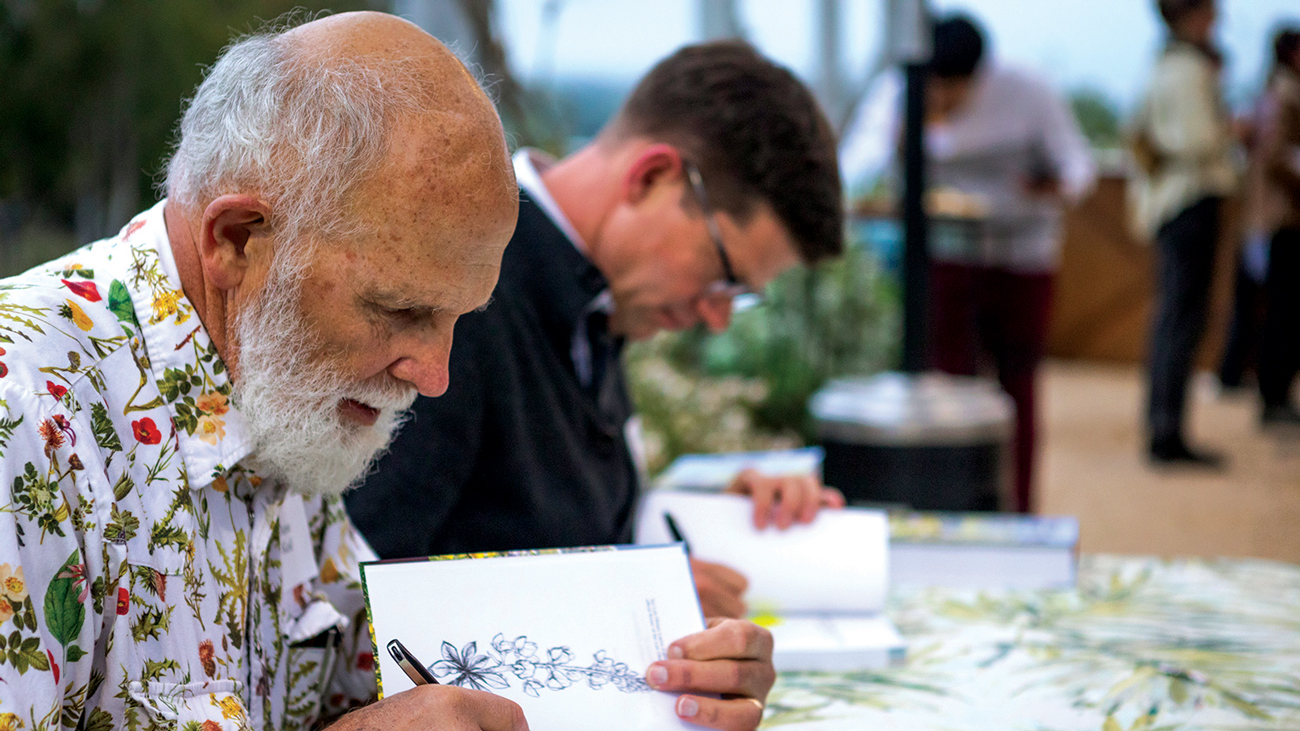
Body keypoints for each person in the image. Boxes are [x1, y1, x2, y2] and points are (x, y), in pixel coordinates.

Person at [0, 13, 776, 731]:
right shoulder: (24, 417)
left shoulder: (276, 379)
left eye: (457, 318)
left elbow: (380, 680)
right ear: (237, 239)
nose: (434, 375)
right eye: (399, 310)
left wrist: (670, 672)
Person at [346, 41, 846, 617]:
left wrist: (705, 518)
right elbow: (367, 582)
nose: (719, 317)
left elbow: (549, 530)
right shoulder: (463, 297)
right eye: (724, 278)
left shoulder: (595, 299)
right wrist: (631, 593)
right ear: (653, 176)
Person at [917, 15, 1095, 513]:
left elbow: (1078, 168)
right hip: (949, 258)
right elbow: (861, 158)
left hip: (1023, 256)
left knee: (1017, 385)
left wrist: (1051, 185)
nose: (946, 97)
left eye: (955, 87)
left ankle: (1016, 508)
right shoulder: (904, 90)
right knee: (946, 384)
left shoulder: (1029, 91)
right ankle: (948, 505)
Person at [1129, 0, 1237, 466]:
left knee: (1174, 316)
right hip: (1190, 200)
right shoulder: (1188, 70)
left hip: (1174, 203)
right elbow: (1197, 140)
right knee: (1181, 318)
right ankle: (1167, 431)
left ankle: (1163, 425)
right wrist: (1233, 129)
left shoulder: (1164, 63)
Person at [1248, 27, 1300, 426]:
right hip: (1285, 216)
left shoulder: (1274, 90)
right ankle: (1273, 396)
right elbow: (1276, 154)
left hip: (1278, 216)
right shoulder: (1286, 93)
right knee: (1285, 309)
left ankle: (1274, 394)